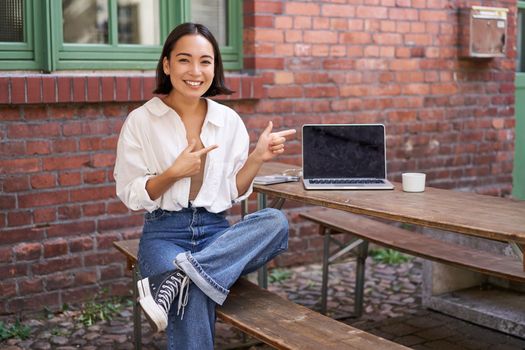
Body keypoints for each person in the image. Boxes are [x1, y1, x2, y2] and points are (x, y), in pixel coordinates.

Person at [114, 22, 296, 349]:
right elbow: (130, 194)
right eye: (184, 60)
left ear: (215, 67)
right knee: (194, 293)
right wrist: (173, 173)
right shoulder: (142, 121)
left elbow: (231, 192)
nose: (195, 70)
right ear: (167, 64)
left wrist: (257, 157)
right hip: (164, 234)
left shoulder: (228, 121)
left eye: (205, 61)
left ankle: (183, 276)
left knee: (276, 221)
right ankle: (189, 277)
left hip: (217, 234)